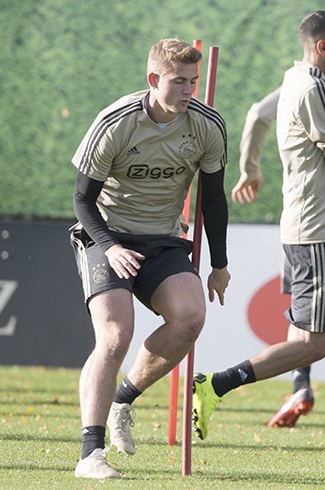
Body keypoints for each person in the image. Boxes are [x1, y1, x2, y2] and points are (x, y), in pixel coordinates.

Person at [192, 11, 325, 453]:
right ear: (321, 47)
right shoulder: (308, 87)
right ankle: (216, 384)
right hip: (313, 234)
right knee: (312, 345)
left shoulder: (317, 82)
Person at [69, 38, 231, 479]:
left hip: (163, 239)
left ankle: (122, 400)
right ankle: (90, 455)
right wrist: (111, 246)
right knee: (115, 336)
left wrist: (219, 264)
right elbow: (82, 200)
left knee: (190, 319)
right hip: (106, 236)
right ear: (153, 79)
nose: (188, 90)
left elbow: (214, 199)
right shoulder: (115, 122)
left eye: (193, 81)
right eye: (179, 81)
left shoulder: (207, 125)